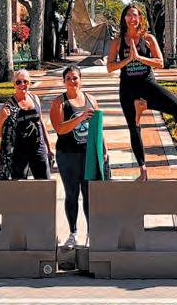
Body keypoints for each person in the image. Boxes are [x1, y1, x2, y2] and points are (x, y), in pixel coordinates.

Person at [107, 4, 177, 181]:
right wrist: (128, 59)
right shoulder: (117, 42)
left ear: (140, 18)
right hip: (128, 88)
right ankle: (143, 169)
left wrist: (139, 58)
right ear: (124, 19)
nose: (132, 19)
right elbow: (110, 67)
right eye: (128, 15)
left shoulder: (148, 38)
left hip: (147, 84)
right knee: (133, 127)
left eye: (135, 15)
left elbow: (160, 62)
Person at [49, 65, 106, 248]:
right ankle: (73, 233)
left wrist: (104, 149)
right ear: (63, 82)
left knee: (89, 194)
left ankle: (91, 233)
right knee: (72, 193)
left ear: (81, 80)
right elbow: (60, 129)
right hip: (68, 154)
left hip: (88, 154)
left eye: (75, 78)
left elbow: (98, 127)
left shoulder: (91, 100)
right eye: (68, 78)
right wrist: (80, 118)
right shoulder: (59, 103)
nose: (72, 81)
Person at [0, 69, 53, 180]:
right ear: (14, 85)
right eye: (18, 82)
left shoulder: (35, 98)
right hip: (19, 152)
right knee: (20, 186)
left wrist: (49, 148)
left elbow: (41, 123)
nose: (22, 84)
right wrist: (2, 118)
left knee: (45, 184)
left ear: (30, 83)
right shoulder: (9, 105)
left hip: (38, 148)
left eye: (25, 81)